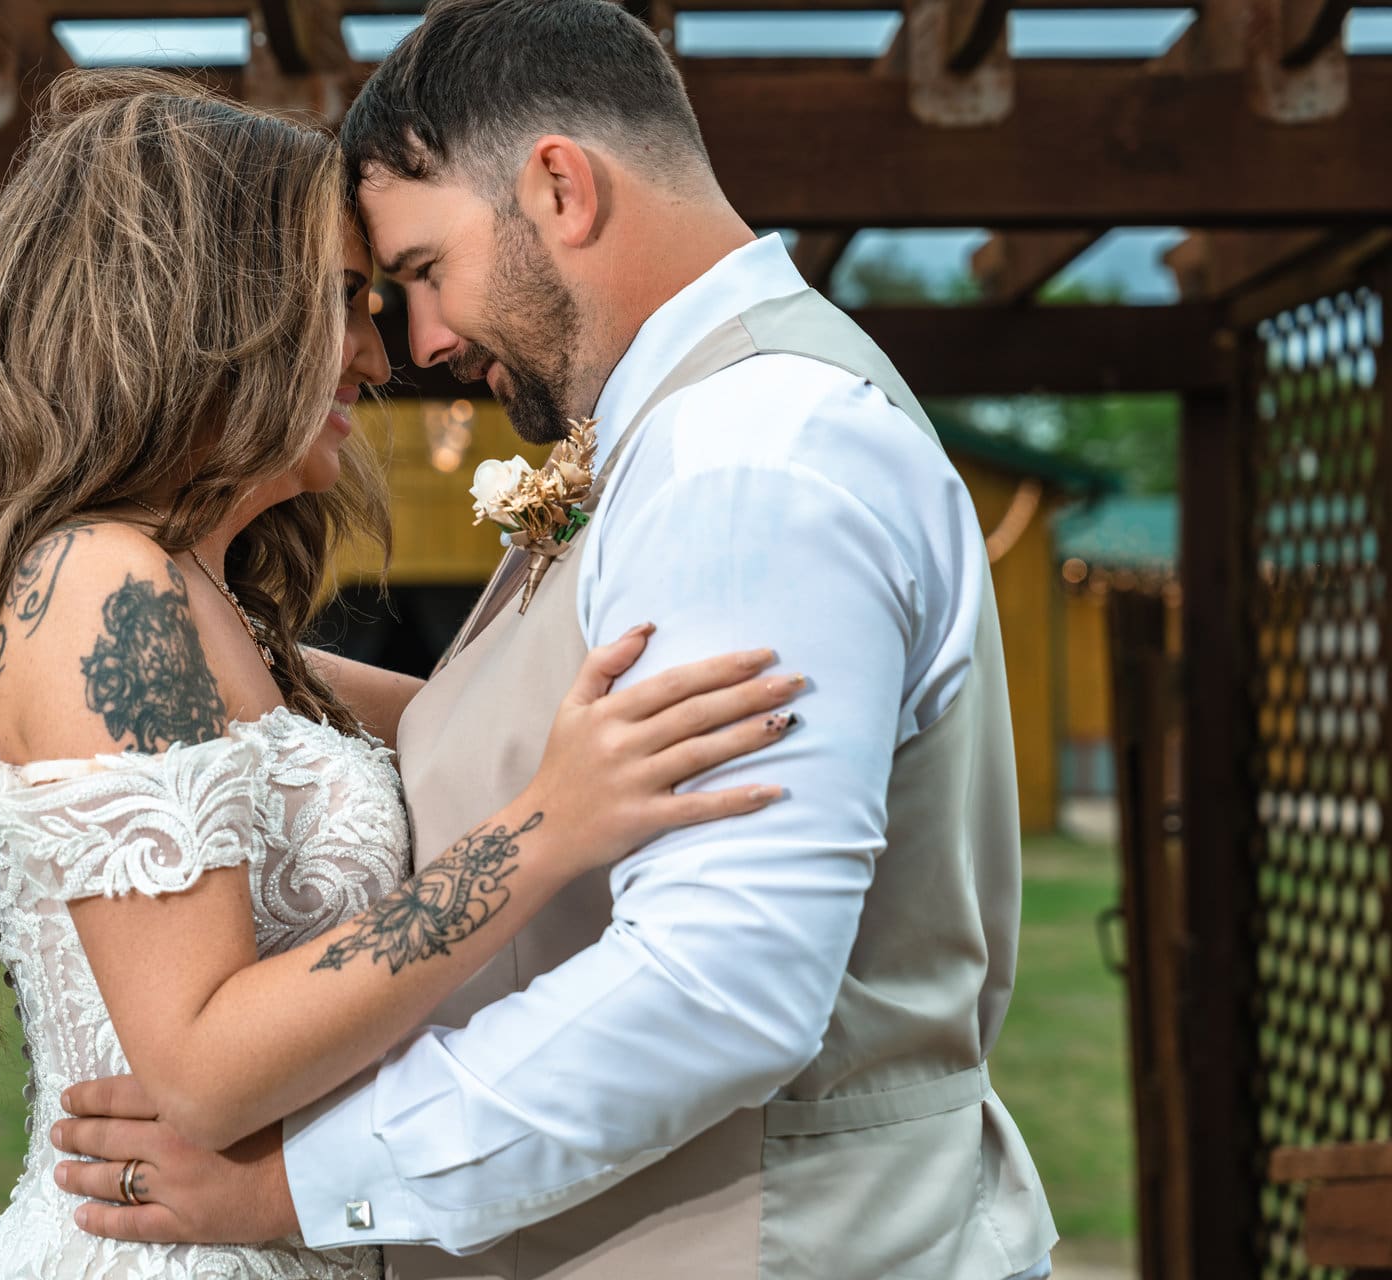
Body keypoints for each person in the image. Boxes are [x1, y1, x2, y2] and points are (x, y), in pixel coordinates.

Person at [52, 3, 1059, 1277]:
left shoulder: (747, 462)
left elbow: (715, 987)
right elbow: (453, 731)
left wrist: (298, 1185)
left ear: (560, 188)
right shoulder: (683, 441)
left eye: (421, 273)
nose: (416, 346)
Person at [0, 67, 806, 1279]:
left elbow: (467, 735)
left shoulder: (217, 617)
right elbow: (199, 1066)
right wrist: (540, 833)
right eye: (346, 302)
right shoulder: (108, 592)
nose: (382, 353)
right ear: (210, 310)